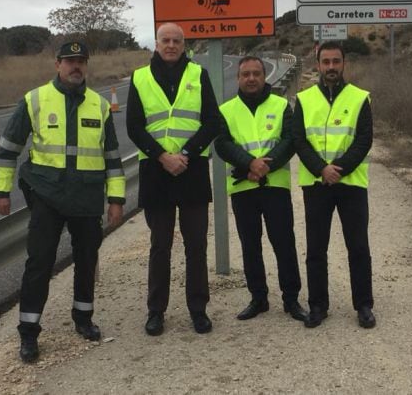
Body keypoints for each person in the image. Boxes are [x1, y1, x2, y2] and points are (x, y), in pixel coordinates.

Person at [0, 40, 125, 362]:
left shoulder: (100, 105)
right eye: (69, 61)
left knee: (87, 260)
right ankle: (29, 332)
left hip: (87, 197)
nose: (75, 66)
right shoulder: (35, 100)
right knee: (39, 263)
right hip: (47, 196)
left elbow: (113, 157)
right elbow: (9, 148)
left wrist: (117, 199)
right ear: (57, 65)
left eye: (81, 61)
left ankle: (83, 318)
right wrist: (0, 191)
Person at [126, 22, 220, 336]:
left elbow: (212, 121)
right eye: (165, 40)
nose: (170, 45)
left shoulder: (198, 74)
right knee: (159, 246)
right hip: (155, 171)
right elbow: (134, 126)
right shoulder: (140, 77)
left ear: (184, 44)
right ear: (156, 43)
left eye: (176, 40)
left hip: (191, 169)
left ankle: (198, 309)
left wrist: (187, 154)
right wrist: (163, 157)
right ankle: (156, 312)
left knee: (196, 245)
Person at [215, 56, 308, 322]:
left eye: (256, 73)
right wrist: (250, 164)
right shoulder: (227, 110)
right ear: (238, 78)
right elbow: (222, 144)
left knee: (284, 243)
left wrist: (266, 166)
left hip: (275, 185)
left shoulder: (281, 105)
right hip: (243, 187)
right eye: (246, 74)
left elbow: (290, 140)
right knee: (250, 245)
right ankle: (258, 298)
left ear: (264, 76)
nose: (251, 78)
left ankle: (291, 299)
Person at [291, 41, 376, 329]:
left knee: (358, 247)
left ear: (343, 64)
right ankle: (318, 305)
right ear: (317, 64)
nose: (330, 67)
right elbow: (299, 140)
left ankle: (363, 305)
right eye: (325, 62)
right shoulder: (303, 99)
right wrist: (321, 169)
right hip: (316, 184)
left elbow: (364, 139)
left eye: (335, 62)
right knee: (316, 248)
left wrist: (337, 169)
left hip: (350, 183)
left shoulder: (360, 98)